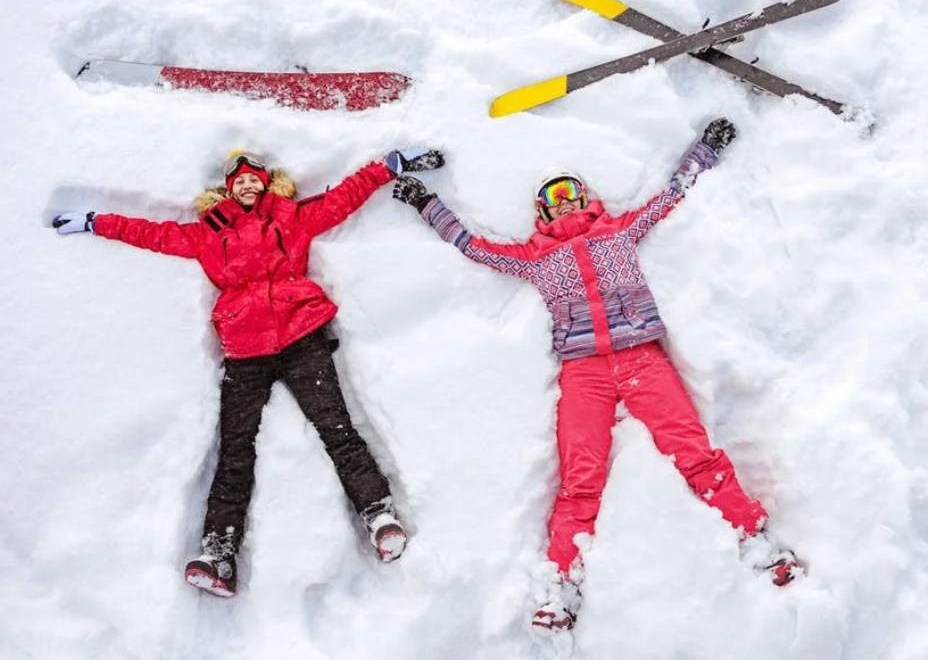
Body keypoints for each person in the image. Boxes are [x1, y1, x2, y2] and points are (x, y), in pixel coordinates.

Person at [392, 120, 801, 634]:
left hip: (640, 359)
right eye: (552, 198)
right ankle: (561, 584)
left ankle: (758, 539)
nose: (563, 202)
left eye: (571, 192)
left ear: (587, 197)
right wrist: (428, 205)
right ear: (541, 213)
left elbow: (670, 195)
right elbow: (475, 248)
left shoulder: (620, 231)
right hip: (584, 371)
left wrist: (705, 149)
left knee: (694, 452)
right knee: (581, 479)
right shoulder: (538, 258)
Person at [53, 146, 444, 597]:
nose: (245, 182)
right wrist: (94, 222)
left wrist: (388, 164)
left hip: (302, 338)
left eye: (253, 176)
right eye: (237, 178)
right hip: (244, 349)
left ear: (265, 182)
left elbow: (343, 198)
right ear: (226, 188)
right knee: (235, 450)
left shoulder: (290, 216)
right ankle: (218, 553)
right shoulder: (208, 232)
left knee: (336, 428)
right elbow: (151, 233)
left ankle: (380, 517)